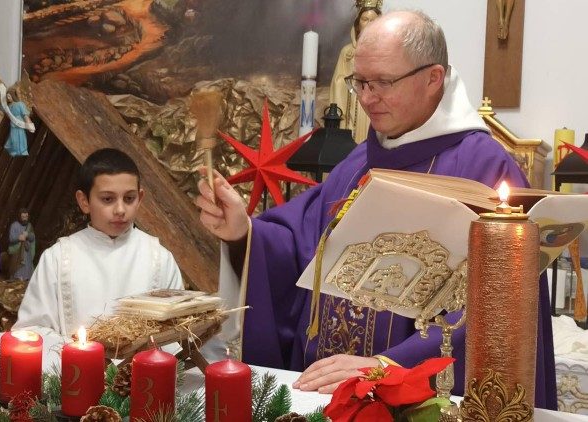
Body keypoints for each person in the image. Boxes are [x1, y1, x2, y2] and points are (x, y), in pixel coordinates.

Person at [196, 10, 557, 409]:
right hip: (324, 395)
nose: (367, 98)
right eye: (360, 83)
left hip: (418, 402)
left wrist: (387, 366)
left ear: (433, 78)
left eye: (383, 82)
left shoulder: (484, 168)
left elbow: (497, 309)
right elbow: (301, 241)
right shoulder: (358, 163)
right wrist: (243, 231)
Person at [14, 148, 184, 336]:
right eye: (108, 199)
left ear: (140, 198)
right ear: (84, 201)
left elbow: (178, 331)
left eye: (129, 198)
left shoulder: (160, 258)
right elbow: (32, 330)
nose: (120, 209)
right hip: (74, 364)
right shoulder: (58, 258)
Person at [328, 1, 381, 142]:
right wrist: (349, 83)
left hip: (371, 104)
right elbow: (337, 81)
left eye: (373, 21)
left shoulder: (384, 52)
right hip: (351, 103)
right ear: (358, 24)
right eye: (365, 20)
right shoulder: (347, 52)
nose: (369, 24)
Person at [8, 208, 36, 280]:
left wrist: (28, 235)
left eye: (26, 217)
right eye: (23, 217)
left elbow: (33, 237)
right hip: (17, 251)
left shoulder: (29, 226)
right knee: (16, 266)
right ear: (19, 217)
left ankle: (27, 277)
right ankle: (16, 277)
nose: (25, 219)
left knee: (27, 266)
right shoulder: (14, 225)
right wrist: (18, 238)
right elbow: (11, 239)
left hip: (27, 251)